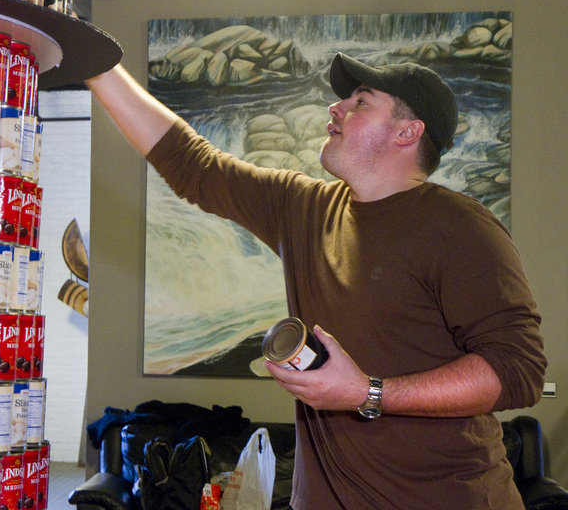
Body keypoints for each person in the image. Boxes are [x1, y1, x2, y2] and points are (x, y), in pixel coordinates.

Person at [85, 53, 546, 509]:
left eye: (361, 101)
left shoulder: (463, 227)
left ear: (408, 131)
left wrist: (366, 392)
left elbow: (518, 370)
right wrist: (94, 61)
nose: (336, 107)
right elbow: (193, 165)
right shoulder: (303, 208)